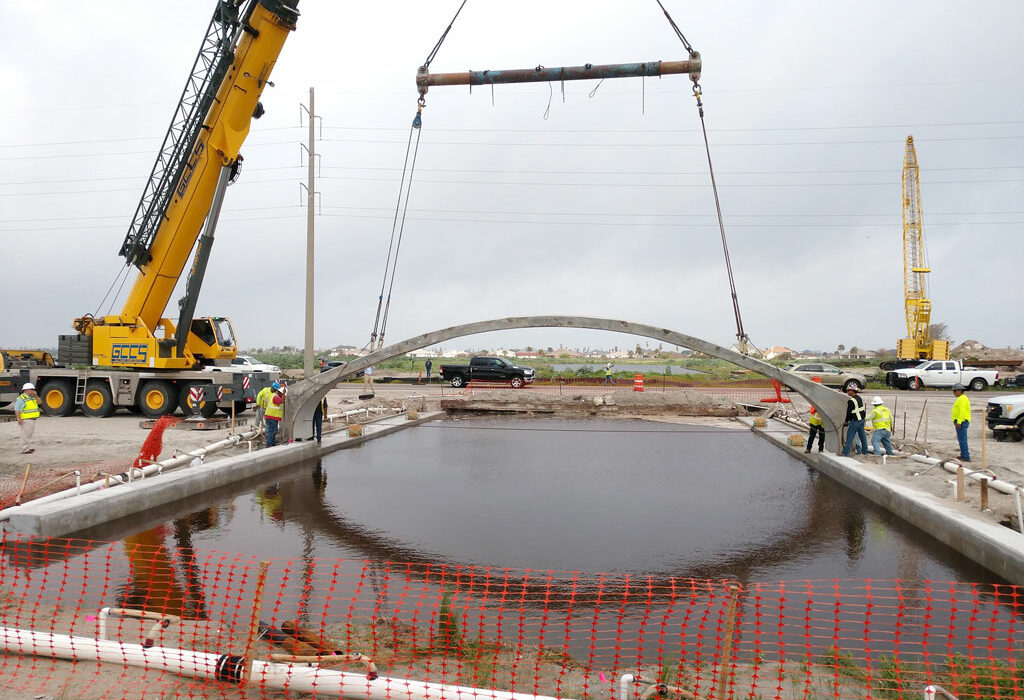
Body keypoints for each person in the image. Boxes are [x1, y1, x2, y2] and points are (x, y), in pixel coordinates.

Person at [14, 382, 41, 454]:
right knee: (25, 435)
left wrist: (36, 395)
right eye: (32, 389)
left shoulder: (32, 398)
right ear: (26, 390)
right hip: (26, 419)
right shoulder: (21, 398)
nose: (33, 391)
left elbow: (40, 402)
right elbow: (17, 409)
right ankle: (24, 449)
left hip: (31, 419)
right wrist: (19, 418)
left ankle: (27, 448)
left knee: (28, 434)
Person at [842, 384, 868, 456]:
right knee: (863, 437)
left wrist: (846, 421)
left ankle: (845, 452)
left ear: (852, 391)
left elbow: (849, 413)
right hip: (861, 420)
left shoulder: (851, 401)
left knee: (850, 437)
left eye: (848, 390)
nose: (847, 392)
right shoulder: (859, 398)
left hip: (855, 421)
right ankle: (865, 452)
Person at [952, 383, 971, 462]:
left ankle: (965, 456)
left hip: (961, 422)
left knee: (962, 439)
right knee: (961, 439)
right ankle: (963, 455)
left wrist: (959, 422)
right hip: (960, 421)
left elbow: (962, 411)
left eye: (955, 391)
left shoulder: (963, 399)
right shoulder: (961, 398)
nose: (954, 393)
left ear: (960, 391)